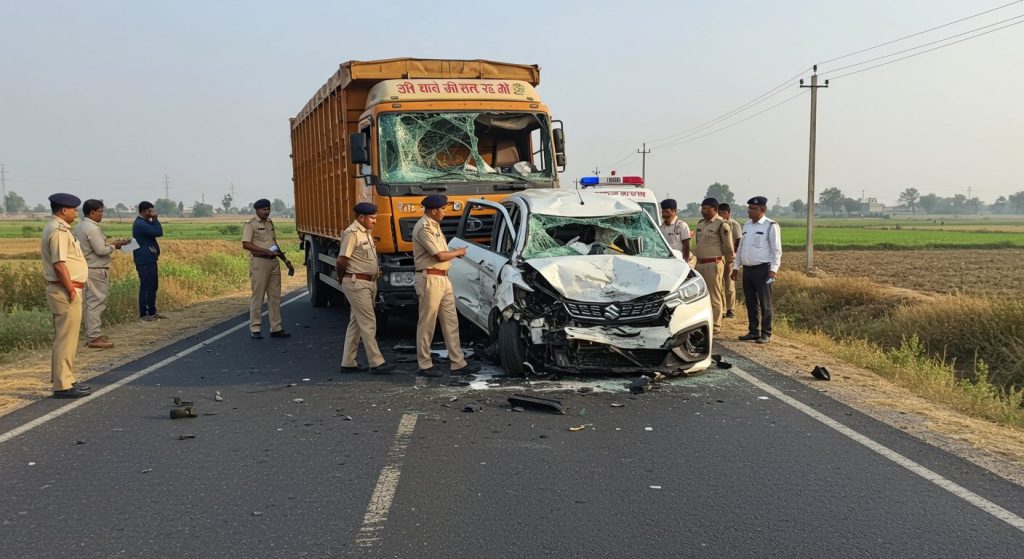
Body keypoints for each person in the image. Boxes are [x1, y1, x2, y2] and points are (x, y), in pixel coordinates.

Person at [412, 194, 480, 377]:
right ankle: (424, 364)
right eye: (443, 209)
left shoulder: (434, 226)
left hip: (442, 278)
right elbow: (439, 256)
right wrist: (458, 252)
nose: (445, 212)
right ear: (434, 210)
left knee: (451, 322)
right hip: (430, 279)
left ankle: (458, 363)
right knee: (427, 323)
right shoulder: (424, 227)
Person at [41, 193, 92, 398]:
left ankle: (66, 378)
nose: (75, 213)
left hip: (65, 289)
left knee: (67, 338)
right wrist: (71, 290)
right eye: (73, 209)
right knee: (66, 339)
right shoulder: (59, 230)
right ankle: (63, 385)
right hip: (65, 290)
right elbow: (59, 263)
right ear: (64, 210)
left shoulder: (57, 228)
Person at [336, 202, 394, 373]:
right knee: (368, 322)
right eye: (372, 218)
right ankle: (376, 362)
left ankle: (348, 362)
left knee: (356, 322)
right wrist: (341, 278)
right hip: (357, 283)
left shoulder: (365, 233)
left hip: (367, 282)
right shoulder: (352, 233)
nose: (375, 221)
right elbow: (341, 260)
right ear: (361, 218)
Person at [74, 199, 129, 348]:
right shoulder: (92, 228)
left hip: (86, 268)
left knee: (90, 303)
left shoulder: (80, 226)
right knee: (96, 303)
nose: (102, 214)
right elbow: (100, 250)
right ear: (92, 212)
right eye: (100, 211)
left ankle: (93, 333)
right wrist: (114, 246)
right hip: (96, 269)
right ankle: (94, 337)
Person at [731, 196, 782, 344]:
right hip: (748, 270)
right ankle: (753, 331)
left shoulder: (770, 225)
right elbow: (740, 249)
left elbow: (776, 250)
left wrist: (773, 271)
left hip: (763, 270)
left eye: (753, 208)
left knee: (765, 302)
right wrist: (736, 267)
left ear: (762, 210)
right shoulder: (746, 226)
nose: (750, 211)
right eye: (749, 208)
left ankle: (766, 333)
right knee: (750, 301)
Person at [241, 198, 293, 340]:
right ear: (257, 210)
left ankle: (276, 328)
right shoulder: (250, 224)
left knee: (275, 297)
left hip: (273, 262)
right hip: (259, 262)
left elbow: (274, 243)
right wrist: (265, 252)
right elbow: (246, 244)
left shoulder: (269, 223)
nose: (266, 211)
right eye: (264, 209)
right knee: (258, 296)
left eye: (268, 209)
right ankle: (255, 328)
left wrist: (285, 260)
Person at [693, 197, 734, 335]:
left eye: (706, 208)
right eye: (702, 208)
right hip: (700, 263)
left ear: (715, 210)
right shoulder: (700, 224)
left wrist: (729, 264)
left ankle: (716, 325)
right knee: (700, 295)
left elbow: (728, 247)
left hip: (713, 263)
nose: (702, 211)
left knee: (714, 295)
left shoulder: (722, 225)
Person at [132, 201, 164, 321]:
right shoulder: (140, 224)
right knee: (146, 286)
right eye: (151, 210)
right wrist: (155, 219)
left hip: (149, 258)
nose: (153, 213)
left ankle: (151, 312)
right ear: (146, 211)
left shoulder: (144, 222)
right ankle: (144, 314)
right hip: (144, 259)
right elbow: (158, 232)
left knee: (153, 285)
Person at [718, 203, 743, 319]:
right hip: (718, 257)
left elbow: (738, 241)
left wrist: (735, 256)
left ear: (728, 213)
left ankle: (730, 309)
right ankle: (720, 308)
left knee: (729, 284)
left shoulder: (734, 224)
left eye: (723, 213)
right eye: (719, 212)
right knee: (718, 284)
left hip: (730, 257)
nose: (721, 215)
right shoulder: (717, 224)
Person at [659, 199, 691, 263]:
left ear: (674, 211)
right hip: (665, 260)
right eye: (662, 212)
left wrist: (685, 262)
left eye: (666, 211)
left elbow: (686, 246)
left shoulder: (681, 225)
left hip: (679, 261)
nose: (664, 214)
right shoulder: (661, 227)